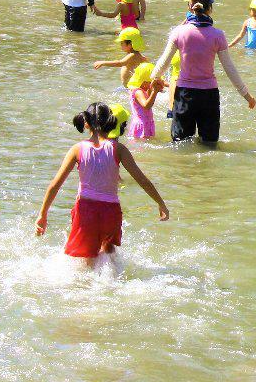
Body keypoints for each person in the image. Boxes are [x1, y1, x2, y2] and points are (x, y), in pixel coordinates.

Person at [35, 103, 169, 265]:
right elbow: (142, 180)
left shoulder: (78, 149)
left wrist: (43, 214)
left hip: (85, 209)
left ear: (86, 123)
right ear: (110, 121)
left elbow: (55, 184)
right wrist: (161, 203)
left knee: (87, 258)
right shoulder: (118, 149)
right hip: (110, 210)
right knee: (109, 253)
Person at [151, 0, 256, 146]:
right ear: (210, 9)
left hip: (184, 95)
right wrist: (247, 96)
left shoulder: (178, 32)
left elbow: (163, 62)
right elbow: (230, 69)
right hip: (209, 97)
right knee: (210, 144)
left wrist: (152, 79)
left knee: (181, 144)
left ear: (190, 7)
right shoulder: (218, 35)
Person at [126, 63, 161, 140]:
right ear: (145, 83)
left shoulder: (143, 90)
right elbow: (146, 106)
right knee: (141, 147)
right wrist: (154, 91)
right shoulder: (138, 92)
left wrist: (154, 90)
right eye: (151, 82)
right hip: (141, 125)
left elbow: (149, 100)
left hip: (147, 122)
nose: (152, 84)